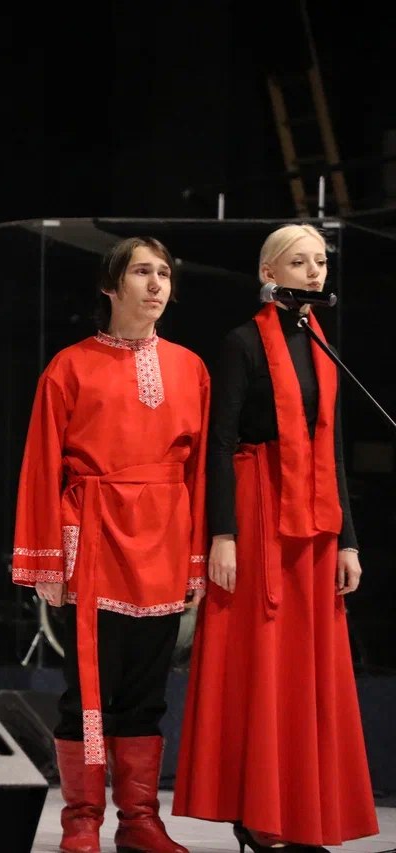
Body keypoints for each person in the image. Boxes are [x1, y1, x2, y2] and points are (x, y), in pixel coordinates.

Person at [174, 224, 377, 852]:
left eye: (321, 262)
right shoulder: (241, 343)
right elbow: (220, 444)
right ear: (269, 271)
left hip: (314, 520)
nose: (315, 272)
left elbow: (329, 446)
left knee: (307, 668)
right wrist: (223, 534)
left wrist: (348, 540)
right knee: (263, 661)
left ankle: (304, 818)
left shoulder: (320, 342)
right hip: (259, 510)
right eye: (300, 262)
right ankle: (258, 813)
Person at [12, 236, 207, 853]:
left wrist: (198, 556)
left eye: (164, 273)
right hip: (93, 537)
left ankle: (141, 819)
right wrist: (44, 557)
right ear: (110, 285)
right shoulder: (69, 366)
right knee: (86, 691)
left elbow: (202, 471)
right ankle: (82, 819)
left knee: (148, 691)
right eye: (142, 272)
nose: (156, 285)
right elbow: (41, 465)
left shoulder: (191, 367)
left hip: (165, 539)